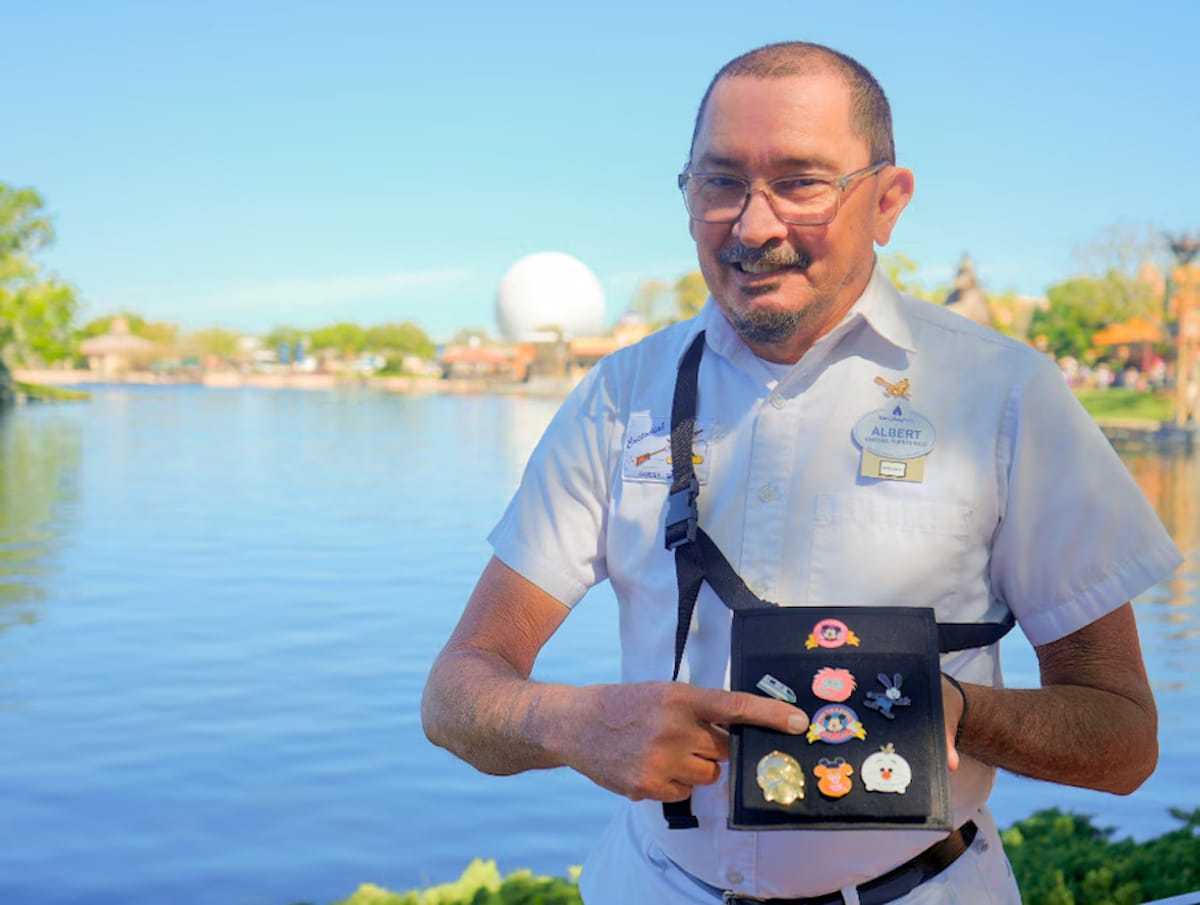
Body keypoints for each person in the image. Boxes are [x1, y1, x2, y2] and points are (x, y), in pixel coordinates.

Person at [422, 41, 1182, 905]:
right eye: (720, 183)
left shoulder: (1007, 397)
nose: (753, 225)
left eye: (801, 182)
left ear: (887, 201)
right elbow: (454, 693)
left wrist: (955, 712)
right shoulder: (620, 396)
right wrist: (572, 722)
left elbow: (1124, 741)